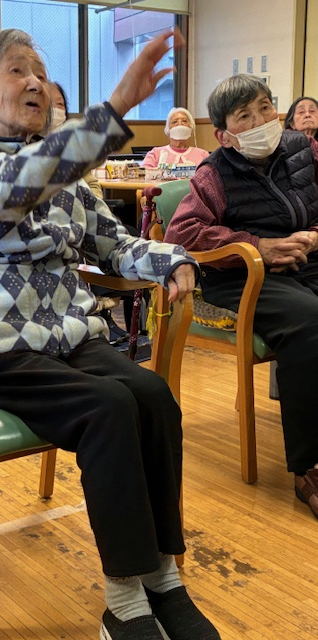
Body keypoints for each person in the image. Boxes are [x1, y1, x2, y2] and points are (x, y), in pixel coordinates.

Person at [0, 27, 221, 640]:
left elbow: (114, 244)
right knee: (109, 406)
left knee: (153, 396)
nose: (36, 83)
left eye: (41, 72)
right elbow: (14, 187)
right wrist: (114, 109)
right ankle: (123, 599)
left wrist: (171, 258)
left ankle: (163, 576)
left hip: (69, 334)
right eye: (18, 70)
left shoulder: (66, 172)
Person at [164, 73, 318, 521]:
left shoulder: (305, 151)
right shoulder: (214, 173)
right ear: (224, 134)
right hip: (241, 274)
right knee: (309, 320)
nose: (260, 121)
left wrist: (312, 235)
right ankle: (309, 467)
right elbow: (182, 233)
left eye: (265, 108)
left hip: (305, 259)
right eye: (244, 116)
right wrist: (257, 245)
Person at [142, 107, 209, 168]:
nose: (180, 123)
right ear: (168, 129)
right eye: (174, 122)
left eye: (184, 121)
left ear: (191, 127)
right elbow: (144, 174)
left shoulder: (203, 155)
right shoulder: (155, 154)